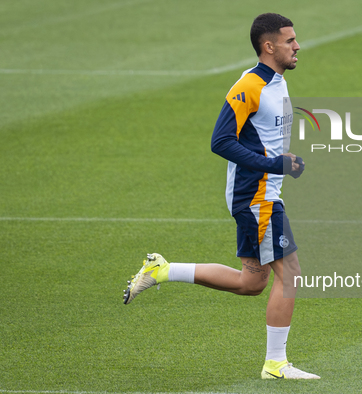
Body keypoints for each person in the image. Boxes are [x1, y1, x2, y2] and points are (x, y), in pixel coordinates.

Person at [123, 13, 319, 380]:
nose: (297, 46)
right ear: (269, 46)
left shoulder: (276, 82)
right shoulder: (248, 87)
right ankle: (276, 364)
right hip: (256, 196)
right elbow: (221, 141)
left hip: (263, 192)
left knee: (252, 282)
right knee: (290, 274)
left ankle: (162, 270)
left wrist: (283, 162)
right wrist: (275, 163)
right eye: (290, 41)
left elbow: (259, 137)